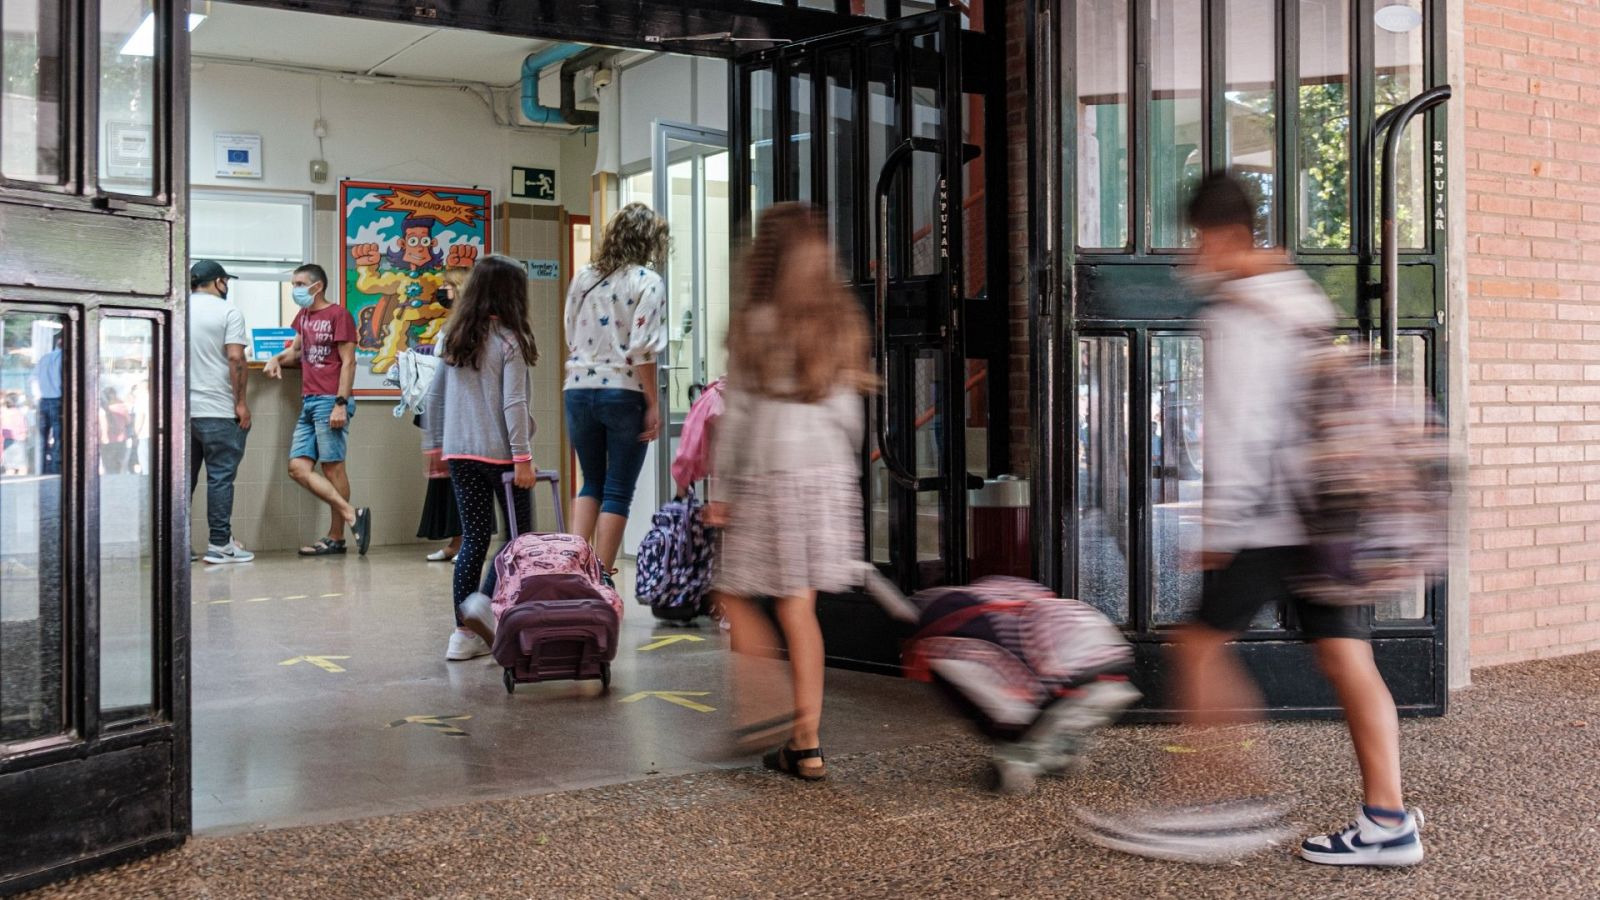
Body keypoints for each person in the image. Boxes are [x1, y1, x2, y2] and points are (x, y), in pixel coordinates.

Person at [1079, 173, 1422, 866]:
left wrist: (1217, 533)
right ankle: (1387, 819)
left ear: (1224, 235)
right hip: (1327, 513)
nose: (1189, 257)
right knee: (1348, 656)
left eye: (1196, 240)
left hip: (1270, 518)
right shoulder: (1296, 293)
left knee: (1198, 644)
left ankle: (1215, 808)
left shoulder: (1237, 313)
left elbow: (1241, 429)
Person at [708, 203, 875, 781]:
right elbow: (852, 415)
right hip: (827, 480)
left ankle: (765, 708)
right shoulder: (841, 321)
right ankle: (806, 744)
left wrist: (721, 489)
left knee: (730, 592)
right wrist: (841, 477)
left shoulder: (756, 320)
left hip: (769, 475)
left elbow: (739, 418)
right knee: (799, 608)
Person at [423, 255, 539, 661]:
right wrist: (523, 457)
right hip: (502, 458)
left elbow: (433, 395)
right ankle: (485, 606)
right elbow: (514, 403)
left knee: (473, 537)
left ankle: (462, 634)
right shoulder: (510, 341)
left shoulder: (453, 336)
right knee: (518, 538)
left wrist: (434, 446)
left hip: (460, 453)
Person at [562, 202, 670, 574]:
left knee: (590, 481)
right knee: (618, 489)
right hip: (623, 393)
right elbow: (642, 349)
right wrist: (653, 403)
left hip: (577, 388)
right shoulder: (647, 281)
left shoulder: (584, 277)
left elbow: (568, 331)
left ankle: (574, 569)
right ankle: (600, 576)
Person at [264, 263, 372, 557]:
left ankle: (336, 537)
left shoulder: (339, 315)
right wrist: (276, 358)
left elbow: (348, 362)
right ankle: (352, 514)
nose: (295, 289)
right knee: (297, 468)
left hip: (330, 399)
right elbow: (296, 351)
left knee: (332, 467)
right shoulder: (304, 316)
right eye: (293, 284)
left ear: (317, 286)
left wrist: (340, 403)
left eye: (299, 283)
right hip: (309, 400)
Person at [187, 259, 255, 564]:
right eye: (226, 281)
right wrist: (241, 403)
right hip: (218, 409)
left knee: (182, 482)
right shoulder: (228, 311)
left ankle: (176, 545)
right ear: (218, 282)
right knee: (220, 479)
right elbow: (236, 359)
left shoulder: (179, 309)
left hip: (182, 412)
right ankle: (219, 544)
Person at [416, 267, 467, 563]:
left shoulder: (464, 326)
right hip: (442, 405)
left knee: (459, 480)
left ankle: (465, 542)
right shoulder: (449, 324)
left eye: (448, 285)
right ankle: (455, 542)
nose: (443, 291)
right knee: (447, 481)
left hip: (456, 410)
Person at [30, 333, 62, 475]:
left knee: (42, 439)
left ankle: (41, 470)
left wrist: (38, 397)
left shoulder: (44, 358)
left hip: (43, 401)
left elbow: (32, 379)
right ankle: (56, 471)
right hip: (58, 400)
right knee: (59, 438)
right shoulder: (65, 358)